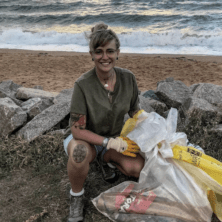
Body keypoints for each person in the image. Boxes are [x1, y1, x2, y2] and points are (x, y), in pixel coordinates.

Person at [63, 22, 145, 222]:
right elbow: (77, 130)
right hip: (87, 141)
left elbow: (135, 111)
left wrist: (152, 126)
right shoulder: (82, 85)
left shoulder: (129, 79)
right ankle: (76, 197)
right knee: (79, 153)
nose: (104, 57)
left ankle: (105, 160)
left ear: (118, 53)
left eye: (110, 51)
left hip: (116, 141)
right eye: (98, 52)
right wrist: (107, 142)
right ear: (91, 54)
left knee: (137, 168)